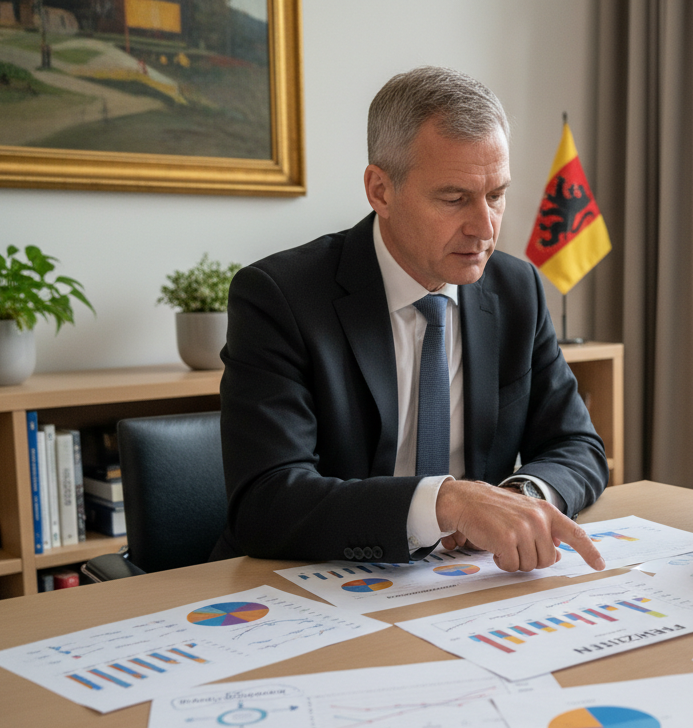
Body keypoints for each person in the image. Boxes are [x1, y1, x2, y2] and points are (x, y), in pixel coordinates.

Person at [211, 66, 608, 573]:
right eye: (454, 198)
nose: (485, 227)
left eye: (496, 194)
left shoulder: (516, 289)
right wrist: (446, 503)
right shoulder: (280, 297)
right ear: (380, 190)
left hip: (469, 583)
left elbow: (577, 444)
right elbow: (266, 503)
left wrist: (518, 497)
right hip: (315, 587)